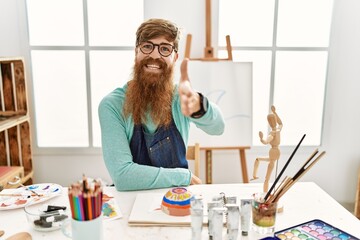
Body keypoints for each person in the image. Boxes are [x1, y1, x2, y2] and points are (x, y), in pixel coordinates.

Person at [98, 18, 225, 191]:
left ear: (175, 57)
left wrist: (199, 107)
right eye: (147, 46)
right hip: (130, 201)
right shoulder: (112, 105)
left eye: (165, 48)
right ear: (136, 52)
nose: (155, 55)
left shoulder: (182, 98)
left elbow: (218, 128)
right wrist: (182, 176)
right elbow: (123, 176)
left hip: (176, 198)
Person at [252, 105, 283, 192]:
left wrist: (261, 138)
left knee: (267, 178)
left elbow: (266, 142)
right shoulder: (276, 131)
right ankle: (254, 176)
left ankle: (265, 195)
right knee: (258, 159)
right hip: (275, 153)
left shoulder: (274, 132)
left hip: (273, 154)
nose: (271, 122)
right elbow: (280, 123)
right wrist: (274, 112)